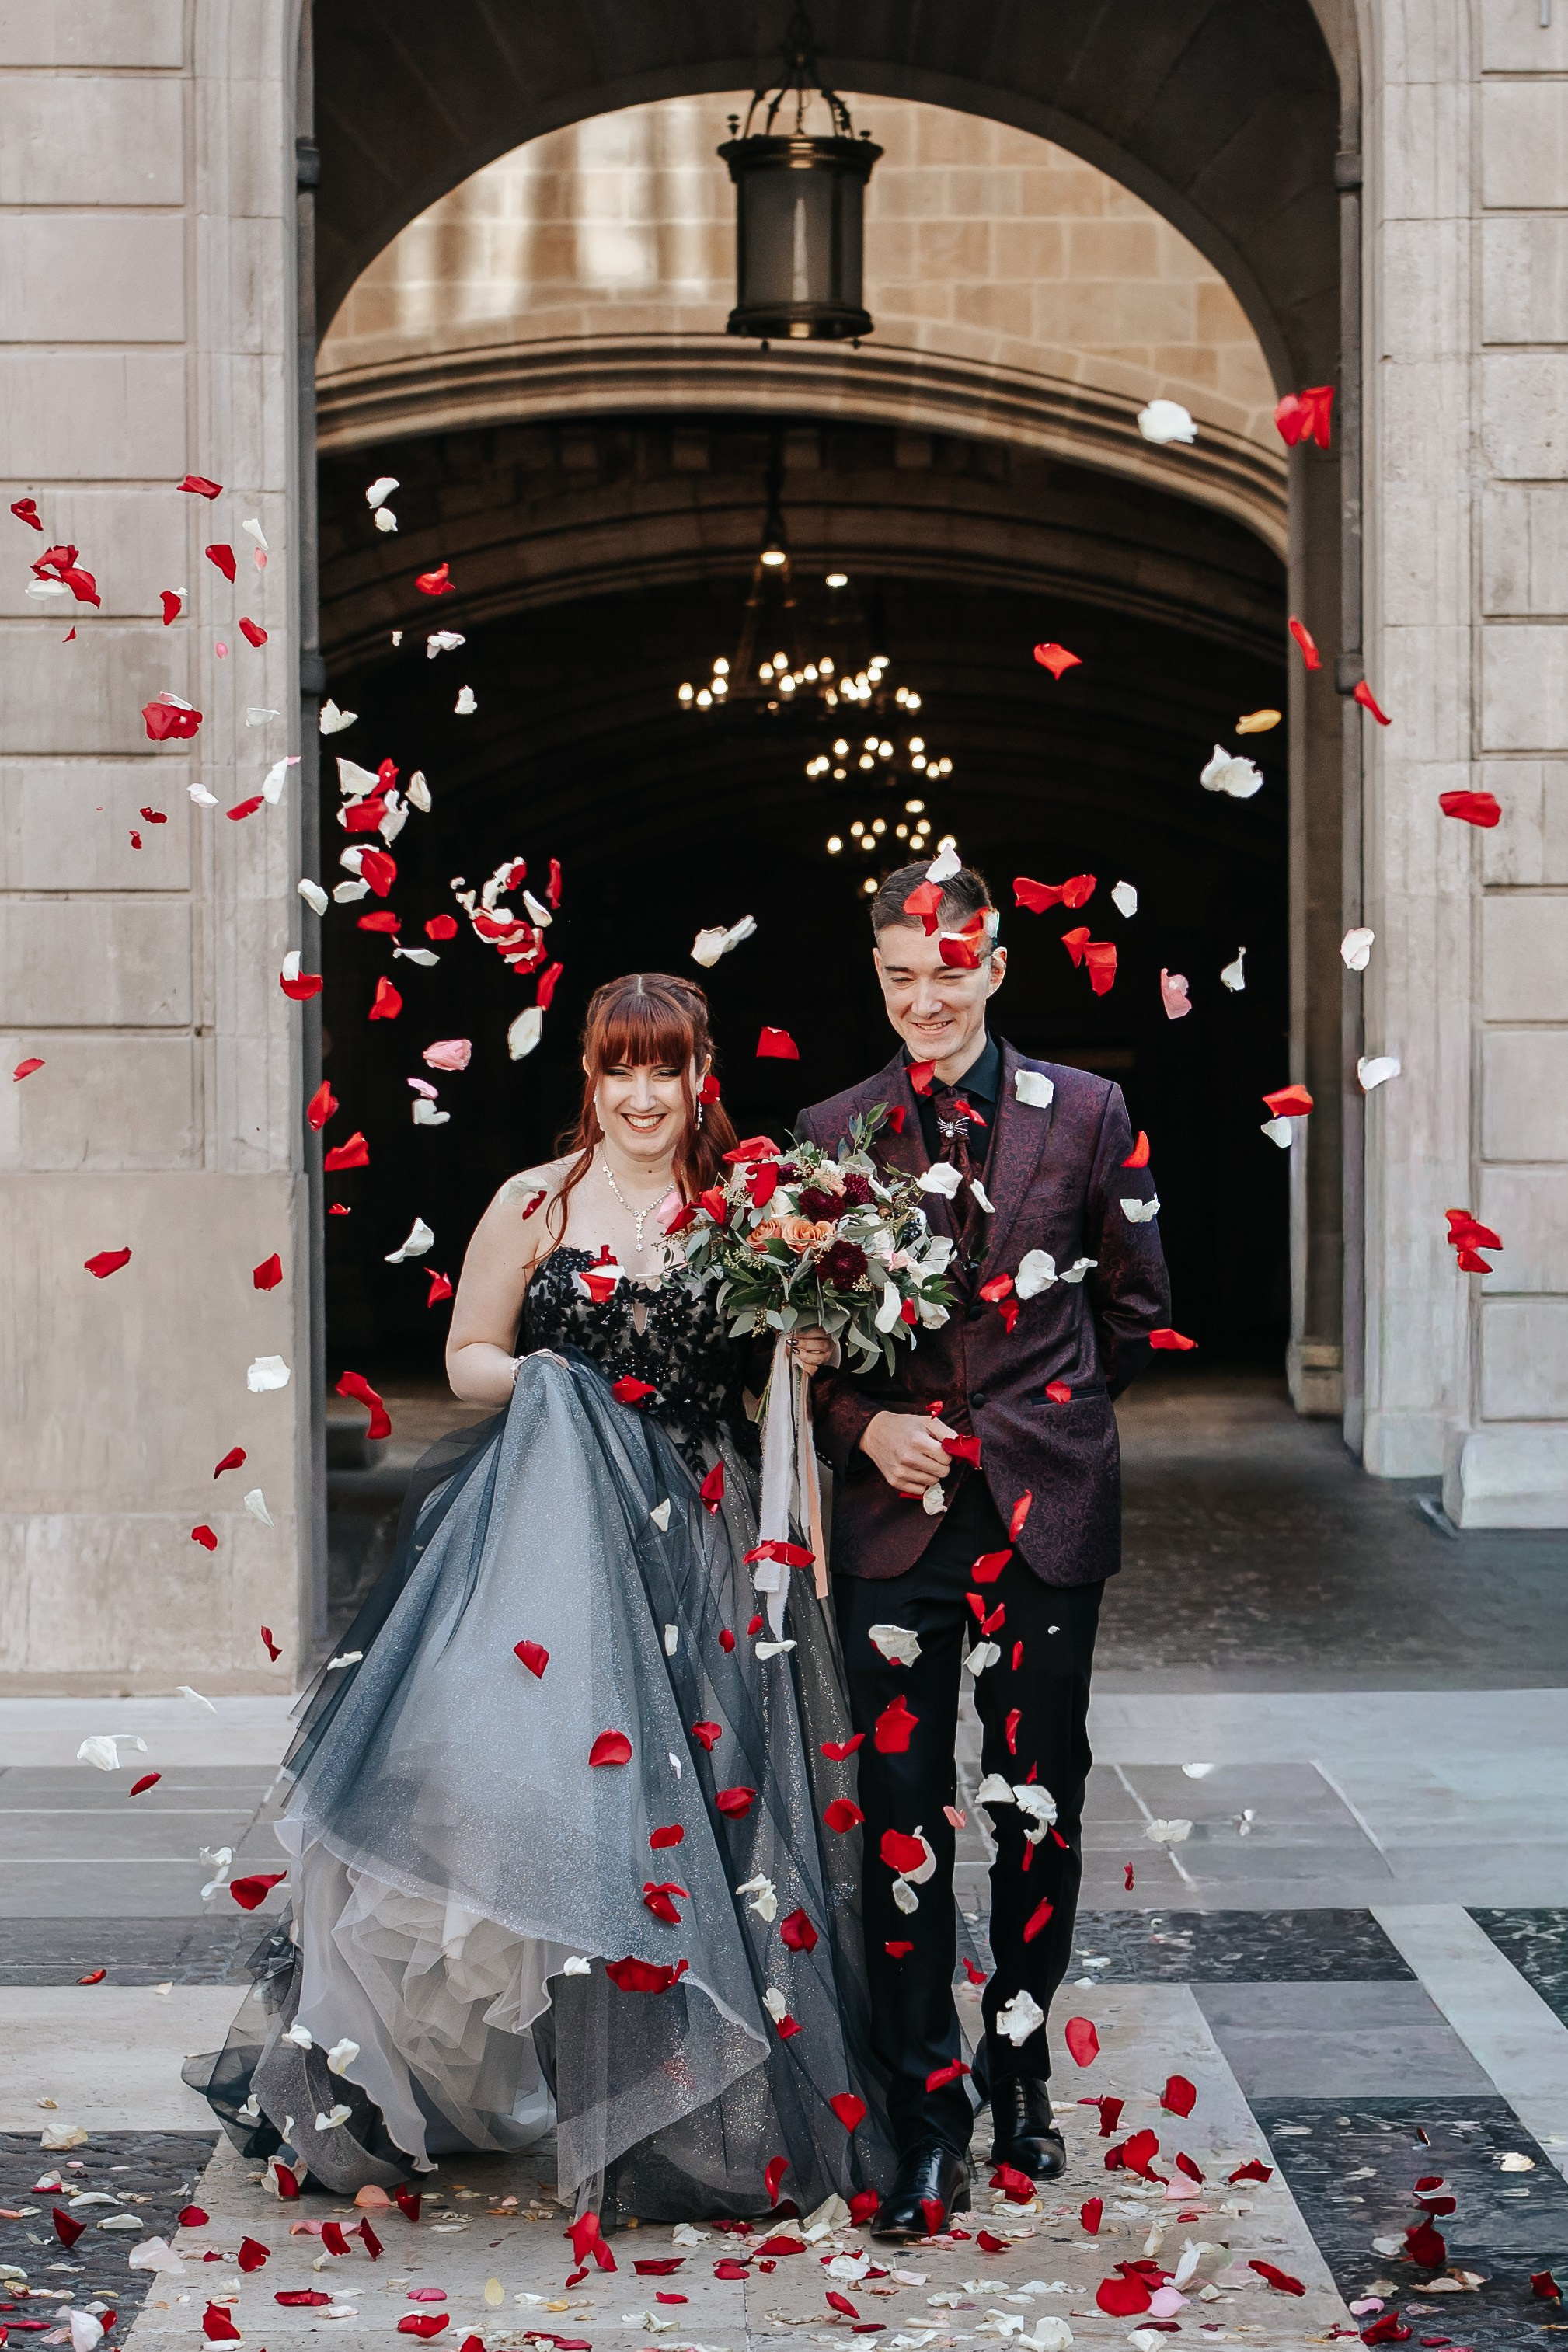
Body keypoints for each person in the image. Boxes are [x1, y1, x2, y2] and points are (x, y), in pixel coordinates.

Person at [192, 972, 894, 2223]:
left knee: (695, 1821)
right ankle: (417, 2081)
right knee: (508, 1783)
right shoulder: (533, 1201)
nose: (642, 1095)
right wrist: (551, 1388)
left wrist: (804, 1350)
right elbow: (466, 1356)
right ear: (590, 1076)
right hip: (553, 1533)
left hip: (697, 1537)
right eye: (620, 1069)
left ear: (698, 1078)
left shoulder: (745, 1212)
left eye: (664, 1069)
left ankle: (678, 2117)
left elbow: (755, 1396)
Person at [795, 862, 1170, 2240]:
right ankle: (925, 2115)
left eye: (949, 972)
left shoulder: (1085, 1113)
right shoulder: (833, 1129)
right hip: (896, 1529)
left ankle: (1021, 2073)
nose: (926, 999)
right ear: (880, 974)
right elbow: (806, 1348)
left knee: (1035, 1805)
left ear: (996, 968)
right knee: (897, 1816)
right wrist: (864, 1427)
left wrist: (1034, 1431)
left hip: (1043, 1520)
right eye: (900, 976)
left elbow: (1136, 1307)